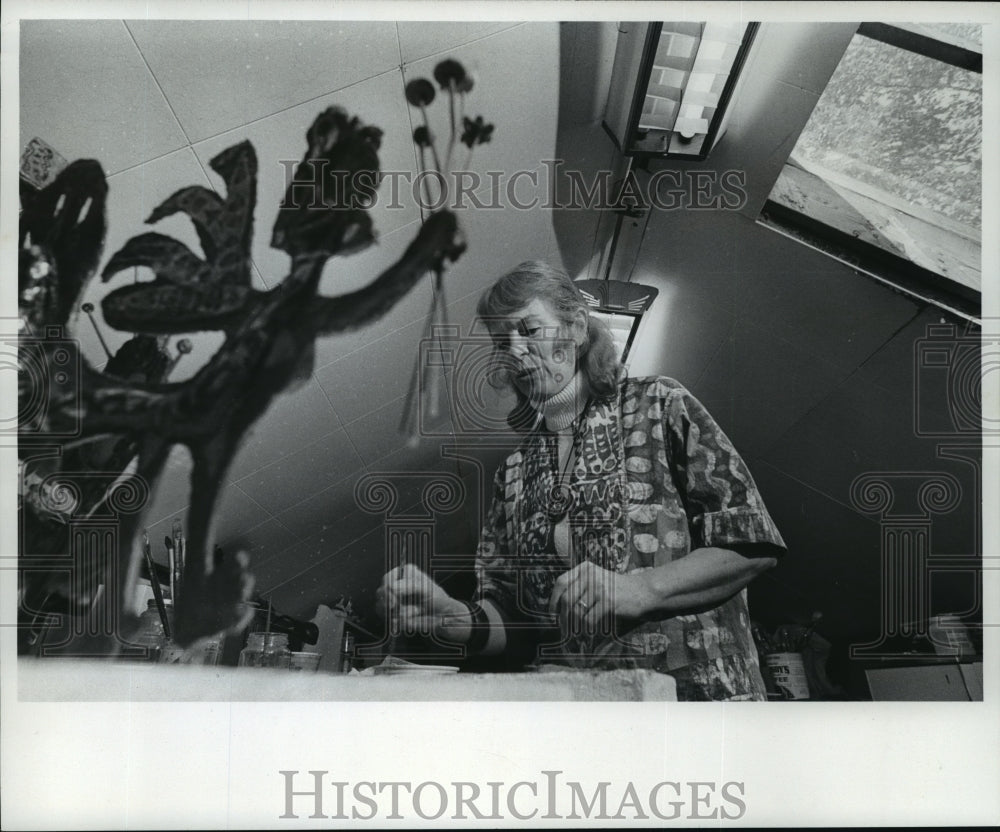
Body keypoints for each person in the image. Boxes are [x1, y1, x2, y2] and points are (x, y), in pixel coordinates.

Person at [377, 261, 786, 700]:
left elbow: (753, 545)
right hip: (589, 718)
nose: (514, 352)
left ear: (574, 328)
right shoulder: (513, 472)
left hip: (700, 708)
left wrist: (641, 589)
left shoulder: (658, 404)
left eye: (529, 329)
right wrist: (452, 618)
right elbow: (517, 621)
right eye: (502, 341)